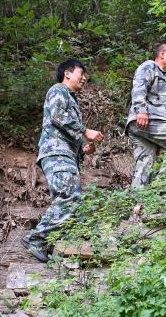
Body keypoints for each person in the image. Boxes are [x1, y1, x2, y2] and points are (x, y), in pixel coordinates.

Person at [22, 59, 104, 262]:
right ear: (67, 73)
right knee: (70, 198)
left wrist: (83, 149)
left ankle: (54, 247)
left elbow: (62, 131)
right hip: (56, 155)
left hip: (63, 154)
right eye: (81, 73)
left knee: (66, 199)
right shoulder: (59, 90)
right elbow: (58, 117)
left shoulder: (70, 97)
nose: (84, 78)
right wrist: (86, 131)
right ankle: (36, 239)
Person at [126, 43, 166, 188]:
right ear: (162, 54)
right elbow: (139, 87)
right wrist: (141, 110)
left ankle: (138, 204)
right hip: (147, 118)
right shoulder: (149, 66)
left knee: (144, 164)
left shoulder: (164, 76)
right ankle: (161, 186)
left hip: (143, 123)